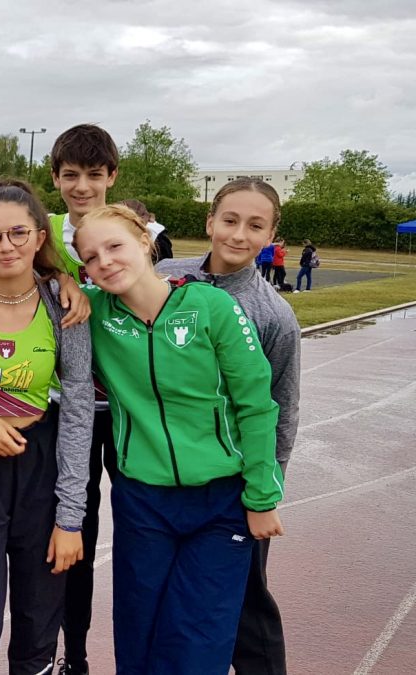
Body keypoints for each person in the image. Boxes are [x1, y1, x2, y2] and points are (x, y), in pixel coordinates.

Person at [74, 204, 285, 675]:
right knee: (139, 635)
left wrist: (262, 496)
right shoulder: (94, 313)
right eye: (90, 257)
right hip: (143, 501)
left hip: (220, 503)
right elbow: (26, 291)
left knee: (198, 641)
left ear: (145, 242)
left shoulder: (212, 307)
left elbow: (257, 406)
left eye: (114, 246)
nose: (104, 261)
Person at [0, 180, 94, 674]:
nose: (6, 245)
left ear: (39, 236)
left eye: (18, 233)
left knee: (36, 631)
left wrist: (70, 519)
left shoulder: (62, 304)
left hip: (42, 472)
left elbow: (78, 409)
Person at [156, 178, 301, 674]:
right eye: (230, 220)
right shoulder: (164, 277)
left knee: (244, 602)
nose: (239, 234)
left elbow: (283, 408)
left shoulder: (274, 316)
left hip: (235, 484)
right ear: (210, 222)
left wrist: (264, 493)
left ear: (271, 236)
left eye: (255, 226)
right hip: (167, 473)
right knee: (173, 599)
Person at [46, 123, 120, 675]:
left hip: (125, 409)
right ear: (55, 177)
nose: (82, 186)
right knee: (74, 528)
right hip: (64, 408)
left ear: (111, 176)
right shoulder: (43, 232)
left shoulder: (135, 232)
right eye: (70, 175)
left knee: (140, 531)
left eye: (94, 174)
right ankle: (74, 653)